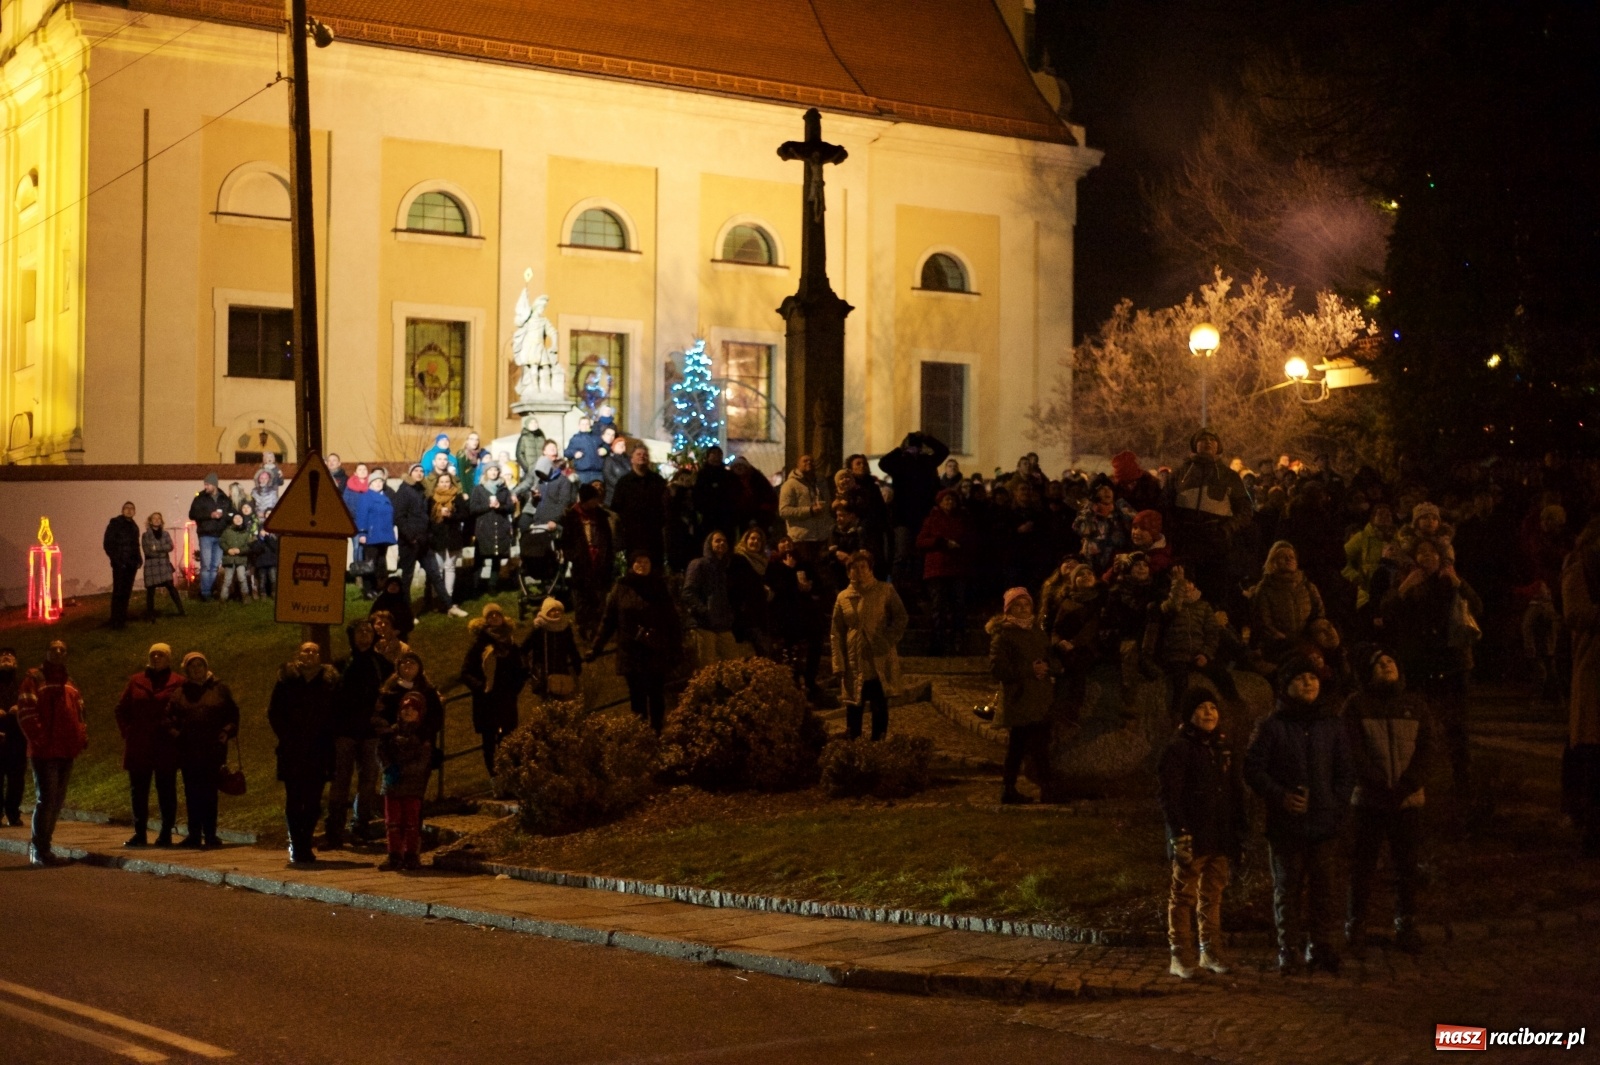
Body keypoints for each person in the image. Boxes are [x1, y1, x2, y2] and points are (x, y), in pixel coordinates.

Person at [1245, 656, 1355, 974]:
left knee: (1324, 890)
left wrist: (1335, 804)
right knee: (1287, 889)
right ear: (1287, 686)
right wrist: (1280, 796)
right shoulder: (1272, 725)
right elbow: (1253, 769)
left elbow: (1346, 771)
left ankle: (1321, 947)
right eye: (1300, 678)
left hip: (1323, 823)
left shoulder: (1332, 725)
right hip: (1286, 825)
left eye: (1312, 677)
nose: (1308, 683)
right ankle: (1288, 949)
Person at [1343, 645, 1432, 955]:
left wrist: (1407, 784)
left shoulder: (1415, 704)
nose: (1386, 665)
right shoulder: (1357, 705)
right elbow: (1353, 752)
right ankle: (1357, 924)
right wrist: (1377, 783)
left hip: (1407, 801)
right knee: (1363, 865)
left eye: (1390, 661)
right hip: (1370, 800)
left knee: (1406, 865)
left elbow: (1427, 749)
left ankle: (1406, 923)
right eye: (1379, 663)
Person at [1381, 537, 1482, 801]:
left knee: (1457, 726)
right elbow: (1385, 612)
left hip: (1452, 664)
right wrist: (1404, 587)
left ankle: (1464, 785)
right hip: (1419, 664)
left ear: (1441, 556)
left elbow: (1478, 608)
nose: (1427, 557)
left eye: (1432, 552)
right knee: (1416, 726)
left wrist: (1458, 584)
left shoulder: (1452, 580)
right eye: (1421, 553)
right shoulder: (1406, 580)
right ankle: (1414, 783)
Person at [1159, 689, 1247, 979]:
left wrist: (1239, 827)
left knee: (1212, 895)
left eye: (1213, 707)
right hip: (1192, 835)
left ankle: (1210, 950)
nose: (1209, 713)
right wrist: (1179, 833)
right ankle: (1180, 955)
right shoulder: (1179, 748)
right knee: (1183, 895)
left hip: (1220, 834)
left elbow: (1235, 790)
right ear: (1189, 714)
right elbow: (1169, 796)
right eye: (1202, 708)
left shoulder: (1223, 746)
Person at [592, 552, 683, 732]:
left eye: (646, 561)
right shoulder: (621, 588)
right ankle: (640, 738)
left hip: (655, 650)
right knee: (637, 697)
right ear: (631, 565)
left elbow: (672, 619)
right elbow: (608, 620)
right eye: (638, 562)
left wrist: (675, 647)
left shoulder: (659, 586)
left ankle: (657, 732)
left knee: (656, 694)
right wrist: (596, 647)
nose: (642, 565)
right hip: (631, 652)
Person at [14, 640, 87, 865]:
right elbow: (26, 712)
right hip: (45, 752)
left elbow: (80, 712)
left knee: (56, 800)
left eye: (62, 650)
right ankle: (39, 848)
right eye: (53, 649)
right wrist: (41, 739)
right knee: (46, 799)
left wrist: (81, 737)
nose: (58, 653)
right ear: (46, 653)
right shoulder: (35, 679)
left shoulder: (70, 683)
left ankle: (46, 845)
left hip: (66, 750)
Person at [268, 641, 340, 864]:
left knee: (313, 800)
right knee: (294, 798)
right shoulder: (287, 680)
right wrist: (287, 736)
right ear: (298, 654)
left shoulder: (329, 681)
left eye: (315, 651)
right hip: (293, 749)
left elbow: (337, 712)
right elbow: (274, 712)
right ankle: (296, 843)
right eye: (306, 650)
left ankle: (305, 841)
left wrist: (328, 737)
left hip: (319, 749)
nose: (310, 654)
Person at [1166, 428, 1252, 610]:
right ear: (1194, 445)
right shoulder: (1180, 473)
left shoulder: (1229, 476)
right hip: (1186, 543)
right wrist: (1175, 529)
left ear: (1218, 446)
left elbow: (1245, 510)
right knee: (1186, 592)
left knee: (1215, 594)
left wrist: (1227, 529)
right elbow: (1165, 504)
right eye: (1203, 439)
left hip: (1216, 543)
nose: (1208, 442)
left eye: (1213, 439)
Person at [326, 620, 393, 847]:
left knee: (368, 781)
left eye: (368, 631)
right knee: (340, 780)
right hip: (345, 731)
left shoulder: (381, 664)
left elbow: (390, 693)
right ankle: (334, 829)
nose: (364, 635)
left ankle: (360, 826)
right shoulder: (342, 664)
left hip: (370, 731)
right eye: (360, 631)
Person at [831, 550, 908, 741]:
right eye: (854, 568)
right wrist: (838, 662)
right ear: (849, 572)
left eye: (863, 567)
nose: (859, 571)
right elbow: (836, 631)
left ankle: (878, 747)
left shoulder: (885, 590)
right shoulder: (843, 597)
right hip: (853, 658)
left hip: (879, 658)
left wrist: (888, 639)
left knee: (879, 705)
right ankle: (853, 749)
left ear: (870, 568)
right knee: (854, 708)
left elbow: (901, 617)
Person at [988, 587, 1055, 804]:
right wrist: (1029, 670)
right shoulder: (1003, 634)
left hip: (1039, 696)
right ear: (1009, 609)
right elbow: (998, 670)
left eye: (1026, 604)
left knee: (1040, 746)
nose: (1023, 608)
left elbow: (1047, 655)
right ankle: (1009, 789)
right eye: (1018, 605)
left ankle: (1046, 790)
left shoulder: (1037, 630)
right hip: (1019, 697)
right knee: (1019, 746)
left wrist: (1048, 667)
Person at [166, 651, 239, 849]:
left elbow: (232, 715)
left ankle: (211, 834)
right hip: (189, 751)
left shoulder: (220, 689)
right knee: (192, 793)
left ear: (206, 668)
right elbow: (168, 719)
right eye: (192, 666)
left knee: (209, 793)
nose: (197, 669)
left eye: (200, 665)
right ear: (187, 669)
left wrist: (226, 731)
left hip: (213, 750)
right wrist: (178, 736)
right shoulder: (180, 693)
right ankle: (194, 834)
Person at [113, 644, 182, 847]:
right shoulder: (137, 681)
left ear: (168, 658)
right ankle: (139, 832)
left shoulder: (177, 682)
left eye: (161, 655)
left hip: (165, 744)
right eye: (153, 655)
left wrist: (176, 732)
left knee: (166, 789)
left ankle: (166, 832)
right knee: (139, 791)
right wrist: (128, 731)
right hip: (140, 744)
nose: (157, 658)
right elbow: (121, 709)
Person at [1563, 516, 1600, 858]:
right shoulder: (1581, 565)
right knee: (1591, 750)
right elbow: (1576, 613)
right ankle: (1591, 827)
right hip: (1593, 665)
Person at [460, 604, 526, 780]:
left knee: (509, 739)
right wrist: (482, 687)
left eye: (498, 614)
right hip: (487, 702)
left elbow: (521, 669)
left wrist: (514, 689)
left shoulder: (510, 643)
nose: (495, 617)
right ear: (485, 620)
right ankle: (496, 779)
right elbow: (465, 672)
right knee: (489, 742)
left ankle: (511, 777)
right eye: (491, 615)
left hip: (506, 700)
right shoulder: (479, 644)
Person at [878, 431, 949, 585]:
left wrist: (927, 438)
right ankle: (897, 589)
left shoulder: (927, 461)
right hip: (903, 517)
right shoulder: (900, 462)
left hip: (924, 515)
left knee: (919, 555)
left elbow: (944, 451)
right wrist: (900, 449)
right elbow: (883, 463)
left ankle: (917, 588)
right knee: (902, 555)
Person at [376, 691, 434, 871]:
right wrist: (387, 768)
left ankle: (411, 854)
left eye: (413, 709)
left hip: (412, 786)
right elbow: (380, 751)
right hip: (392, 785)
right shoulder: (390, 733)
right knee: (392, 822)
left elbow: (421, 762)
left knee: (411, 822)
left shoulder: (422, 737)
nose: (408, 712)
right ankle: (394, 854)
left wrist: (402, 770)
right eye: (405, 709)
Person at [916, 489, 973, 657]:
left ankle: (958, 641)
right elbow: (920, 541)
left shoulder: (963, 520)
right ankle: (937, 643)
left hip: (958, 569)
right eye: (946, 500)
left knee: (958, 607)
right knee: (938, 607)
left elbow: (971, 539)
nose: (949, 503)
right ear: (940, 503)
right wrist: (940, 542)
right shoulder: (931, 520)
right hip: (938, 570)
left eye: (952, 500)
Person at [1249, 541, 1328, 663]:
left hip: (1306, 643)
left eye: (1292, 556)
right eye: (1283, 556)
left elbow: (1319, 614)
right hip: (1279, 647)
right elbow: (1263, 622)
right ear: (1273, 562)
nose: (1289, 559)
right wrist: (1283, 639)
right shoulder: (1265, 589)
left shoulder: (1307, 586)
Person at [561, 482, 615, 640]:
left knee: (599, 596)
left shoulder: (600, 515)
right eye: (593, 499)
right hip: (582, 563)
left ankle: (598, 628)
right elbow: (566, 541)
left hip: (600, 561)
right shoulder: (572, 517)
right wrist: (574, 556)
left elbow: (607, 539)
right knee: (583, 597)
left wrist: (608, 557)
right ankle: (583, 626)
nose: (597, 502)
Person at [683, 531, 739, 663]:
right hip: (704, 624)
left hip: (723, 624)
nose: (722, 543)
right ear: (709, 544)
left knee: (734, 664)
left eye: (724, 541)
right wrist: (704, 611)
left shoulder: (725, 568)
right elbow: (688, 593)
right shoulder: (698, 564)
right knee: (707, 668)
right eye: (717, 541)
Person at [611, 444, 668, 566]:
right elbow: (616, 508)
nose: (642, 457)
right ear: (631, 459)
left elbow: (665, 505)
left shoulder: (658, 481)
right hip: (633, 535)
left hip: (654, 534)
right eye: (638, 454)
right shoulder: (623, 483)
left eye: (645, 455)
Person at [427, 471, 470, 617]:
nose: (445, 484)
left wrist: (451, 516)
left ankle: (448, 599)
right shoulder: (432, 499)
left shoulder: (457, 497)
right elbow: (429, 518)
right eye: (442, 482)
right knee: (437, 570)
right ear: (437, 484)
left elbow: (465, 515)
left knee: (450, 568)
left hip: (452, 537)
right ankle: (437, 599)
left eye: (447, 481)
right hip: (437, 538)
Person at [522, 597, 584, 701]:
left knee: (563, 698)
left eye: (558, 610)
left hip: (561, 670)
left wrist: (576, 662)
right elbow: (524, 648)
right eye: (553, 610)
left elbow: (571, 646)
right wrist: (528, 667)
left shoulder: (565, 627)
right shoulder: (539, 627)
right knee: (548, 701)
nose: (556, 613)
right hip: (543, 672)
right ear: (546, 612)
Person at [470, 461, 515, 595]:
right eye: (490, 470)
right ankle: (475, 585)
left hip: (500, 525)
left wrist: (499, 507)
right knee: (480, 556)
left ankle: (492, 585)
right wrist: (488, 506)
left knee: (497, 556)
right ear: (486, 473)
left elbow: (510, 507)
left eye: (496, 470)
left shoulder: (504, 489)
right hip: (484, 526)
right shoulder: (478, 489)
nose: (493, 473)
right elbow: (473, 509)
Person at [778, 454, 832, 561]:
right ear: (797, 465)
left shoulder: (820, 483)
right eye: (805, 461)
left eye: (811, 461)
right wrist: (809, 511)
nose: (809, 463)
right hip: (802, 538)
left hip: (821, 537)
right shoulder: (790, 485)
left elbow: (828, 503)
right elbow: (784, 511)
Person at [187, 473, 232, 601]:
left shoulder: (224, 499)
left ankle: (207, 591)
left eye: (207, 484)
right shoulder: (200, 498)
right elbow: (192, 514)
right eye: (205, 484)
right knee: (206, 565)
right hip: (206, 535)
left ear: (215, 485)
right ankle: (205, 592)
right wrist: (209, 515)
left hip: (220, 535)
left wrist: (224, 517)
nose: (205, 486)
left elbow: (230, 514)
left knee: (214, 566)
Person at [392, 463, 430, 597]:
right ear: (410, 473)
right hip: (409, 541)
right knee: (407, 576)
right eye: (416, 471)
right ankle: (405, 608)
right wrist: (411, 537)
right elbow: (399, 516)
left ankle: (439, 603)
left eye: (421, 471)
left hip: (423, 539)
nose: (419, 473)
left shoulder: (421, 490)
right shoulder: (404, 490)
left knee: (433, 572)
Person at [103, 500, 142, 629]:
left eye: (131, 508)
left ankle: (122, 617)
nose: (129, 510)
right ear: (122, 510)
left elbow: (136, 545)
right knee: (118, 591)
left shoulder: (134, 527)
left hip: (131, 564)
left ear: (134, 512)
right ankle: (115, 619)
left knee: (126, 592)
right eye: (126, 508)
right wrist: (116, 560)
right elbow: (108, 544)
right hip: (120, 564)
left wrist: (138, 559)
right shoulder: (115, 524)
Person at [141, 512, 184, 619]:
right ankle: (150, 614)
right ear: (150, 521)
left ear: (161, 521)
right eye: (154, 518)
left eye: (159, 518)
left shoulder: (166, 534)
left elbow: (170, 546)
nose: (156, 520)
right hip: (152, 567)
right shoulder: (145, 535)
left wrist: (156, 548)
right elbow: (148, 551)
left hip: (164, 565)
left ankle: (181, 611)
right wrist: (162, 550)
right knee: (151, 591)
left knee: (171, 587)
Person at [692, 445, 738, 544]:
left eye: (719, 454)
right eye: (713, 454)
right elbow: (696, 496)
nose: (716, 457)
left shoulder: (728, 476)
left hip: (725, 518)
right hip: (707, 518)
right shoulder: (701, 475)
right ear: (708, 456)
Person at [0, 649, 24, 826]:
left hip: (17, 737)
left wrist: (19, 708)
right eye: (2, 655)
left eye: (10, 655)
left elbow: (31, 702)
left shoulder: (22, 682)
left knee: (16, 779)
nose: (6, 657)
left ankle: (13, 812)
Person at [217, 511, 253, 603]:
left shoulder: (245, 533)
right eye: (236, 518)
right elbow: (221, 542)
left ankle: (245, 597)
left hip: (241, 560)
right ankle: (223, 598)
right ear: (232, 520)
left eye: (240, 518)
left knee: (242, 578)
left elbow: (248, 546)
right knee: (227, 580)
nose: (238, 520)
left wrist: (240, 551)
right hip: (229, 559)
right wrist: (227, 550)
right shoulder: (227, 531)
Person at [565, 415, 607, 484]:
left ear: (590, 425)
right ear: (579, 426)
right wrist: (574, 453)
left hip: (597, 473)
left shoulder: (597, 437)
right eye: (583, 424)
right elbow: (566, 452)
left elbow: (606, 445)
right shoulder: (575, 439)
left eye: (587, 424)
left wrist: (605, 449)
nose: (585, 426)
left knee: (598, 494)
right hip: (582, 474)